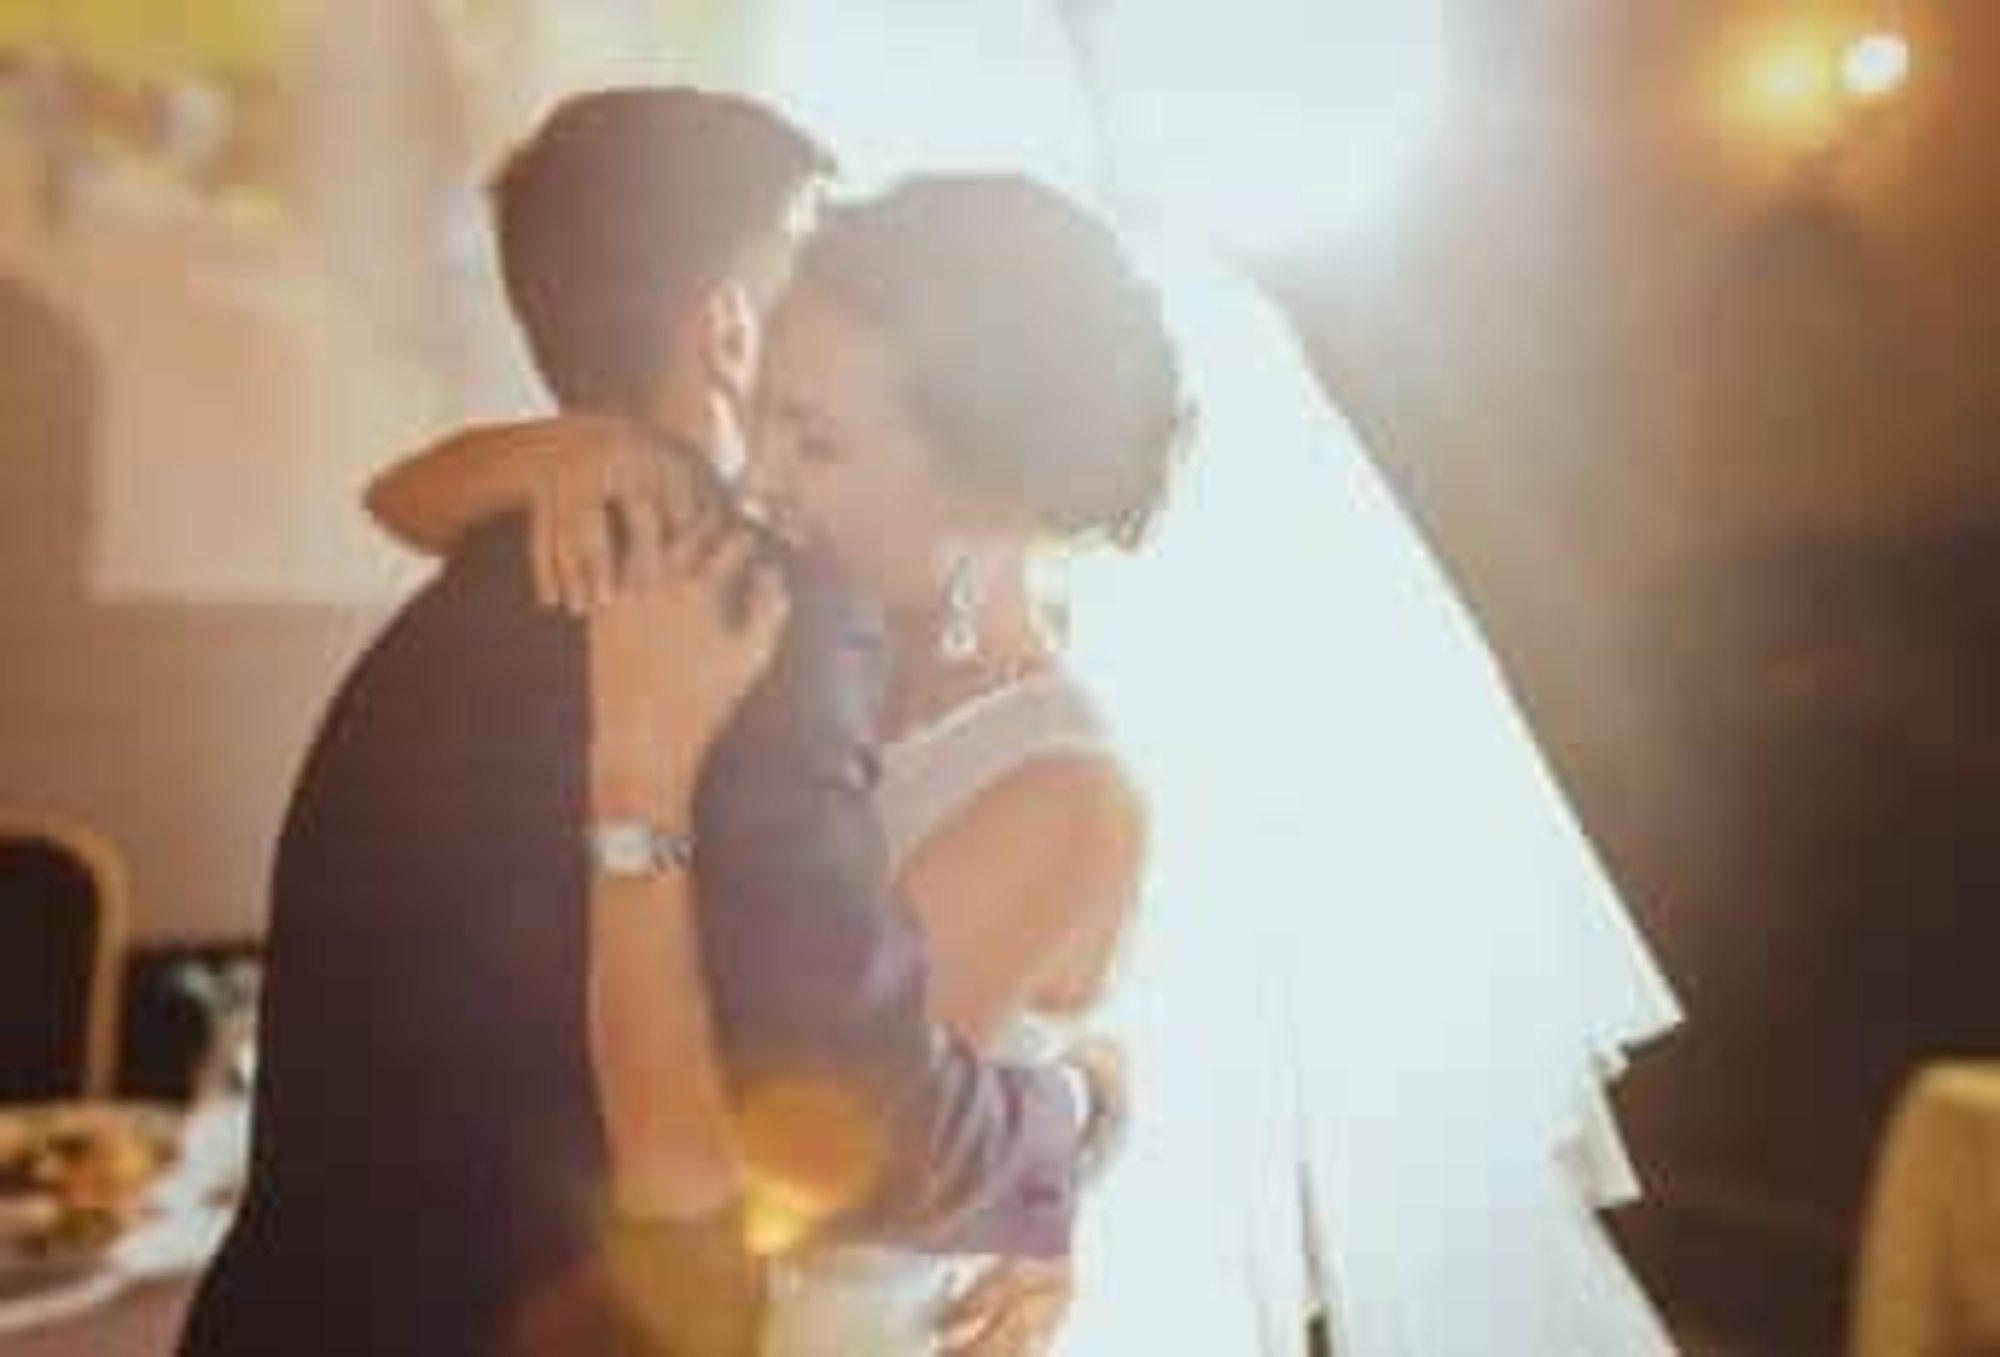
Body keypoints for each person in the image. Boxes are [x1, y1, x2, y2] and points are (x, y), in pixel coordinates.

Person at [178, 90, 1116, 1357]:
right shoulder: (765, 613)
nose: (839, 285)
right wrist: (1082, 1108)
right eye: (811, 249)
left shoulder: (464, 588)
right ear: (728, 322)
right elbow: (861, 1119)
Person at [369, 173, 1183, 1357]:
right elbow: (409, 500)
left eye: (817, 439)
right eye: (763, 416)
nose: (761, 476)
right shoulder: (777, 608)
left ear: (990, 495)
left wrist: (643, 773)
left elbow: (761, 1168)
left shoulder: (1064, 799)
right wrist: (586, 451)